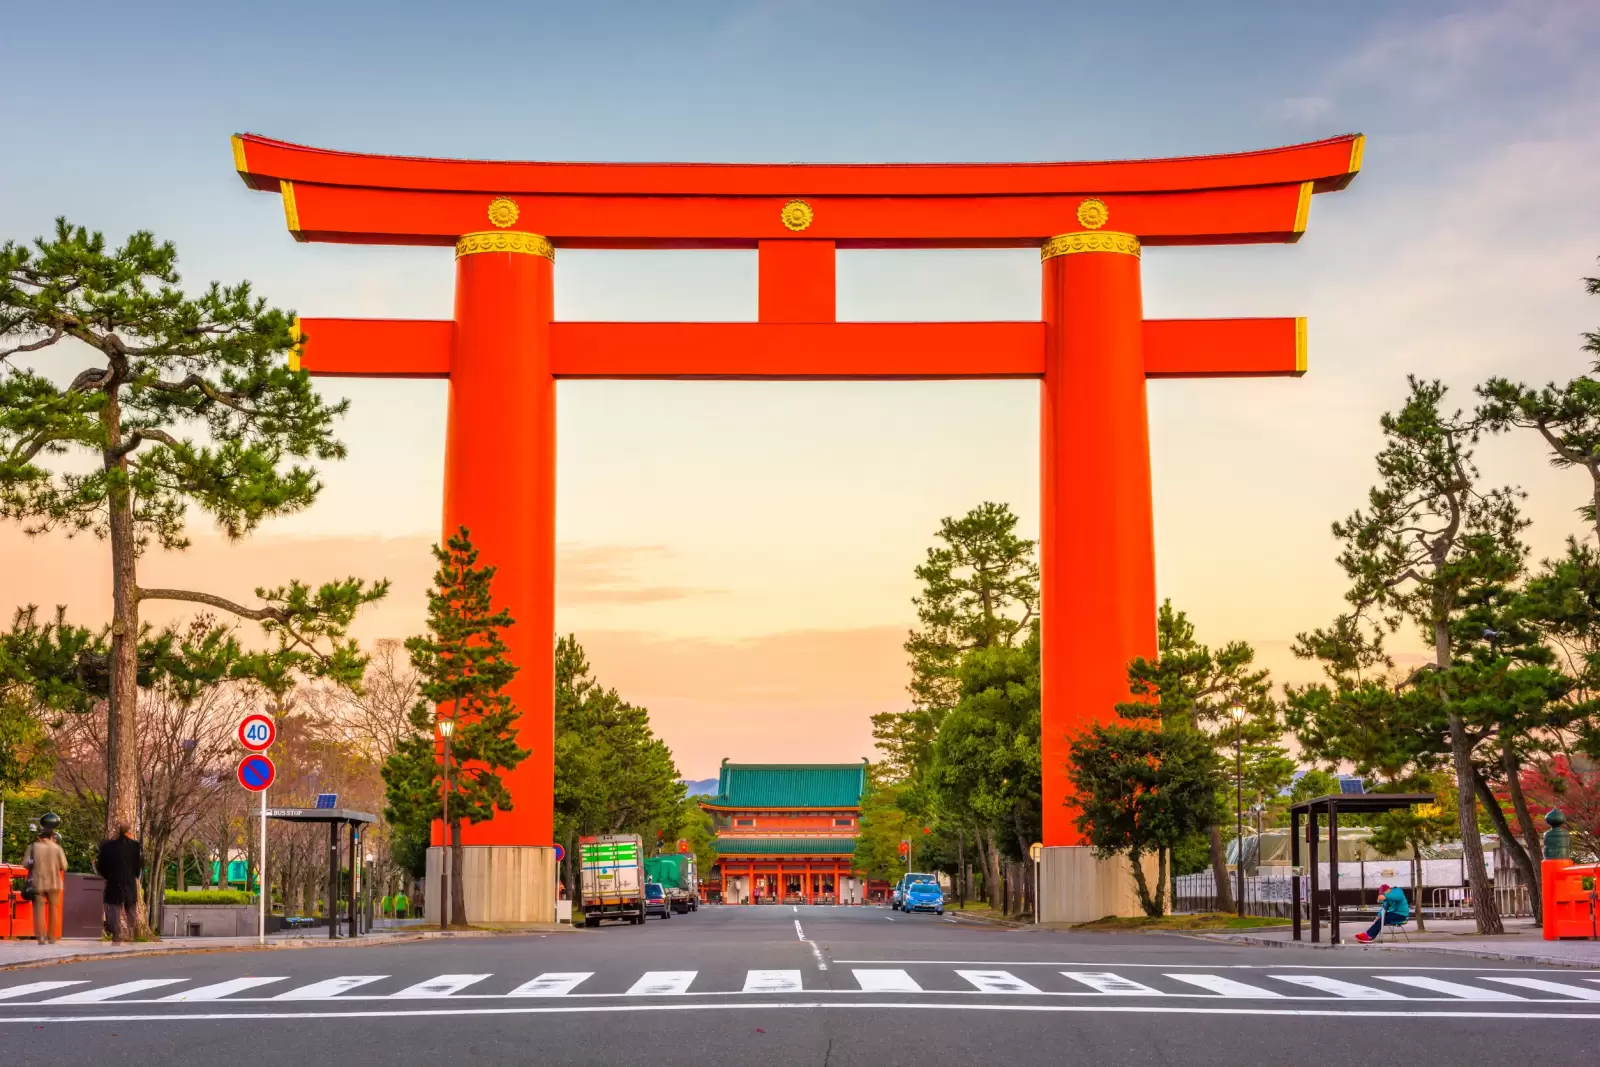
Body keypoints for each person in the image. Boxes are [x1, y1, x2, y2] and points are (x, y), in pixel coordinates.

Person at [95, 824, 143, 944]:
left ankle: (116, 936)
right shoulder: (135, 846)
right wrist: (135, 874)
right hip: (129, 880)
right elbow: (139, 865)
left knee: (114, 909)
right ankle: (131, 932)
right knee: (130, 906)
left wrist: (107, 875)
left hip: (113, 880)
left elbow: (101, 865)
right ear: (128, 832)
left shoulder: (108, 846)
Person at [23, 830, 67, 944]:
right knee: (53, 910)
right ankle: (52, 937)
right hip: (54, 883)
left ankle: (41, 938)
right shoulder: (57, 848)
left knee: (39, 910)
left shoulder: (32, 847)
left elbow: (25, 864)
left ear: (40, 837)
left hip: (38, 883)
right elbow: (64, 866)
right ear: (51, 836)